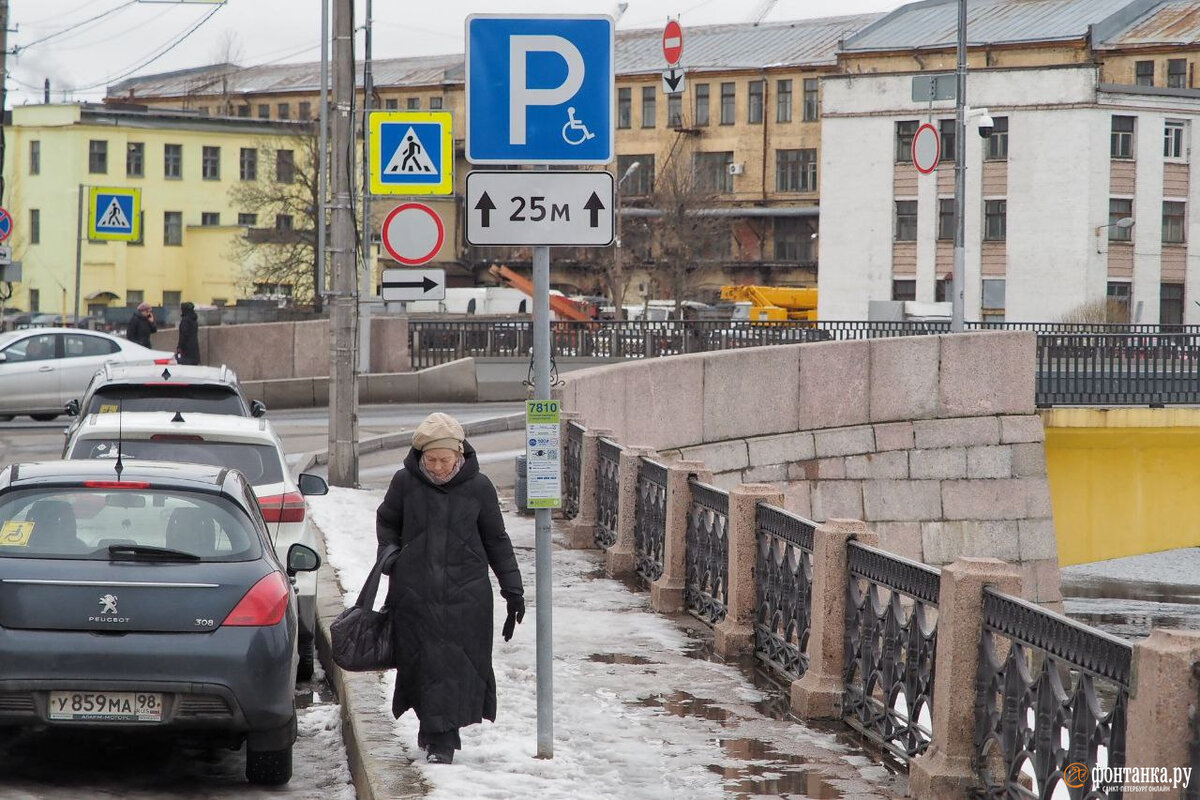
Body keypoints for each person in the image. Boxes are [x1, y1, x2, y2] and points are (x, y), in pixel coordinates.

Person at [375, 412, 525, 765]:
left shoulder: (479, 488)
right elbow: (387, 522)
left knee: (455, 666)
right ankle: (434, 733)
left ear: (459, 456)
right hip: (416, 594)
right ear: (420, 457)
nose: (439, 468)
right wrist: (392, 557)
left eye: (445, 460)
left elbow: (497, 541)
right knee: (423, 664)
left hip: (466, 597)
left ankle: (441, 740)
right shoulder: (405, 484)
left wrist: (512, 590)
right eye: (431, 460)